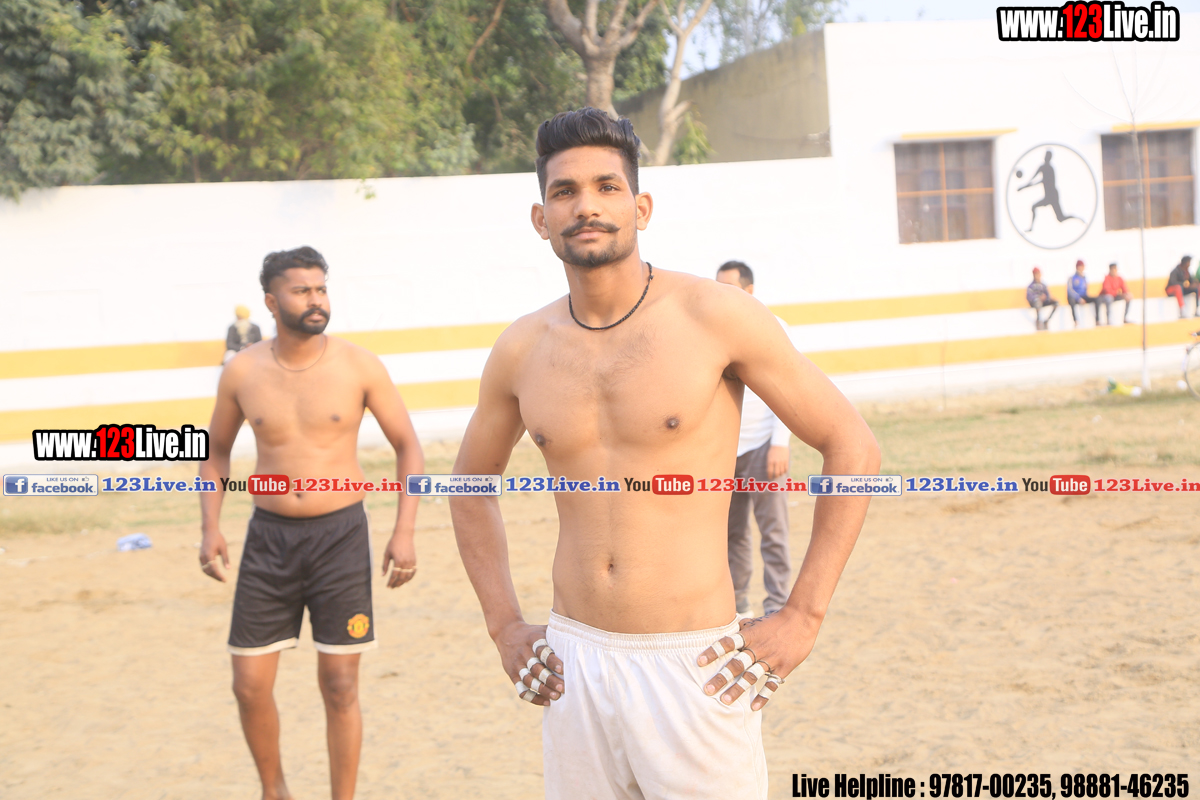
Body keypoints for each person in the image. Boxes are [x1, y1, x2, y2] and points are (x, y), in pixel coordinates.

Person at [450, 108, 879, 800]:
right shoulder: (522, 348)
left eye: (606, 187)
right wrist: (503, 626)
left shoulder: (714, 315)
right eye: (565, 192)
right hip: (574, 663)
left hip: (695, 664)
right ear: (541, 218)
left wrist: (803, 615)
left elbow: (851, 444)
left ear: (641, 207)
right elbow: (469, 487)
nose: (586, 206)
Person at [199, 246, 425, 800]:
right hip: (268, 538)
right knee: (249, 685)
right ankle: (274, 791)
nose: (316, 299)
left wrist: (404, 531)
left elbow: (408, 446)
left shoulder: (359, 365)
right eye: (302, 291)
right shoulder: (242, 370)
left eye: (321, 288)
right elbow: (216, 451)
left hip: (340, 536)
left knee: (340, 684)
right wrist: (210, 526)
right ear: (271, 302)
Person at [714, 261, 792, 616]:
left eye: (729, 288)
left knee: (773, 532)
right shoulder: (711, 332)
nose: (722, 295)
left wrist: (780, 443)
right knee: (732, 534)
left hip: (764, 448)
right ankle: (738, 606)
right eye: (718, 287)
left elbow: (788, 391)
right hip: (724, 451)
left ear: (749, 292)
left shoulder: (776, 328)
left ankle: (777, 606)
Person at [1066, 259, 1099, 327]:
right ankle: (1075, 321)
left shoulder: (1084, 277)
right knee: (1071, 300)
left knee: (1097, 299)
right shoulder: (1072, 278)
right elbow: (1070, 290)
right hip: (1076, 297)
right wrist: (1079, 299)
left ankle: (1097, 320)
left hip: (1083, 296)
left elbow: (1085, 289)